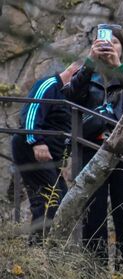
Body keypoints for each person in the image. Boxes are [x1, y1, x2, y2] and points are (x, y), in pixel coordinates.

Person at [63, 23, 123, 269]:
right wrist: (90, 61)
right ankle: (93, 275)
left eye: (115, 41)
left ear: (122, 48)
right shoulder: (87, 75)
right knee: (93, 216)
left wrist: (118, 65)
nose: (109, 44)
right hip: (90, 149)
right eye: (102, 41)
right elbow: (70, 96)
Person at [11, 61, 80, 240]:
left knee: (62, 200)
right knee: (48, 200)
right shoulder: (50, 85)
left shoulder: (70, 97)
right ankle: (38, 249)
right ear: (74, 72)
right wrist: (36, 141)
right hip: (31, 147)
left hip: (48, 156)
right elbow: (32, 110)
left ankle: (46, 249)